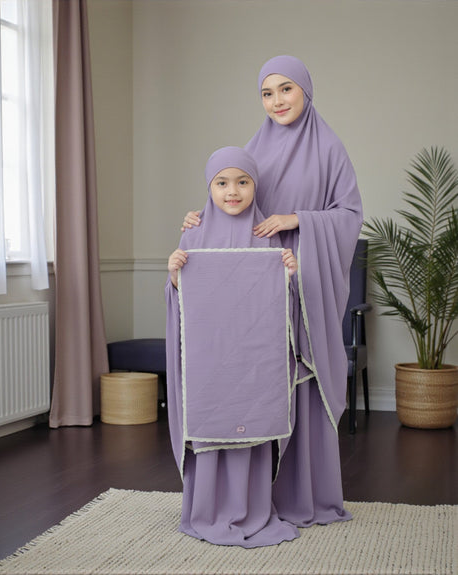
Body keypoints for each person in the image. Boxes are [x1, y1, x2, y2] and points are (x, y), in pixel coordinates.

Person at [182, 55, 363, 528]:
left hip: (303, 277)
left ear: (305, 90)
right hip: (256, 292)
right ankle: (252, 497)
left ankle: (302, 496)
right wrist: (200, 217)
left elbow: (349, 216)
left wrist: (296, 219)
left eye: (286, 89)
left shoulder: (329, 149)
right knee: (257, 384)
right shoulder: (254, 148)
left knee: (299, 383)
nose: (277, 101)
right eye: (267, 93)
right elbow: (230, 191)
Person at [166, 146, 300, 547]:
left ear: (254, 186)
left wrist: (288, 276)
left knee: (252, 429)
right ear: (209, 188)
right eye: (222, 183)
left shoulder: (267, 235)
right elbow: (183, 300)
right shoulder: (193, 232)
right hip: (210, 360)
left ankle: (253, 510)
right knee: (211, 427)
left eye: (243, 182)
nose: (233, 191)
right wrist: (174, 275)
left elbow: (280, 305)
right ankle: (206, 511)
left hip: (253, 361)